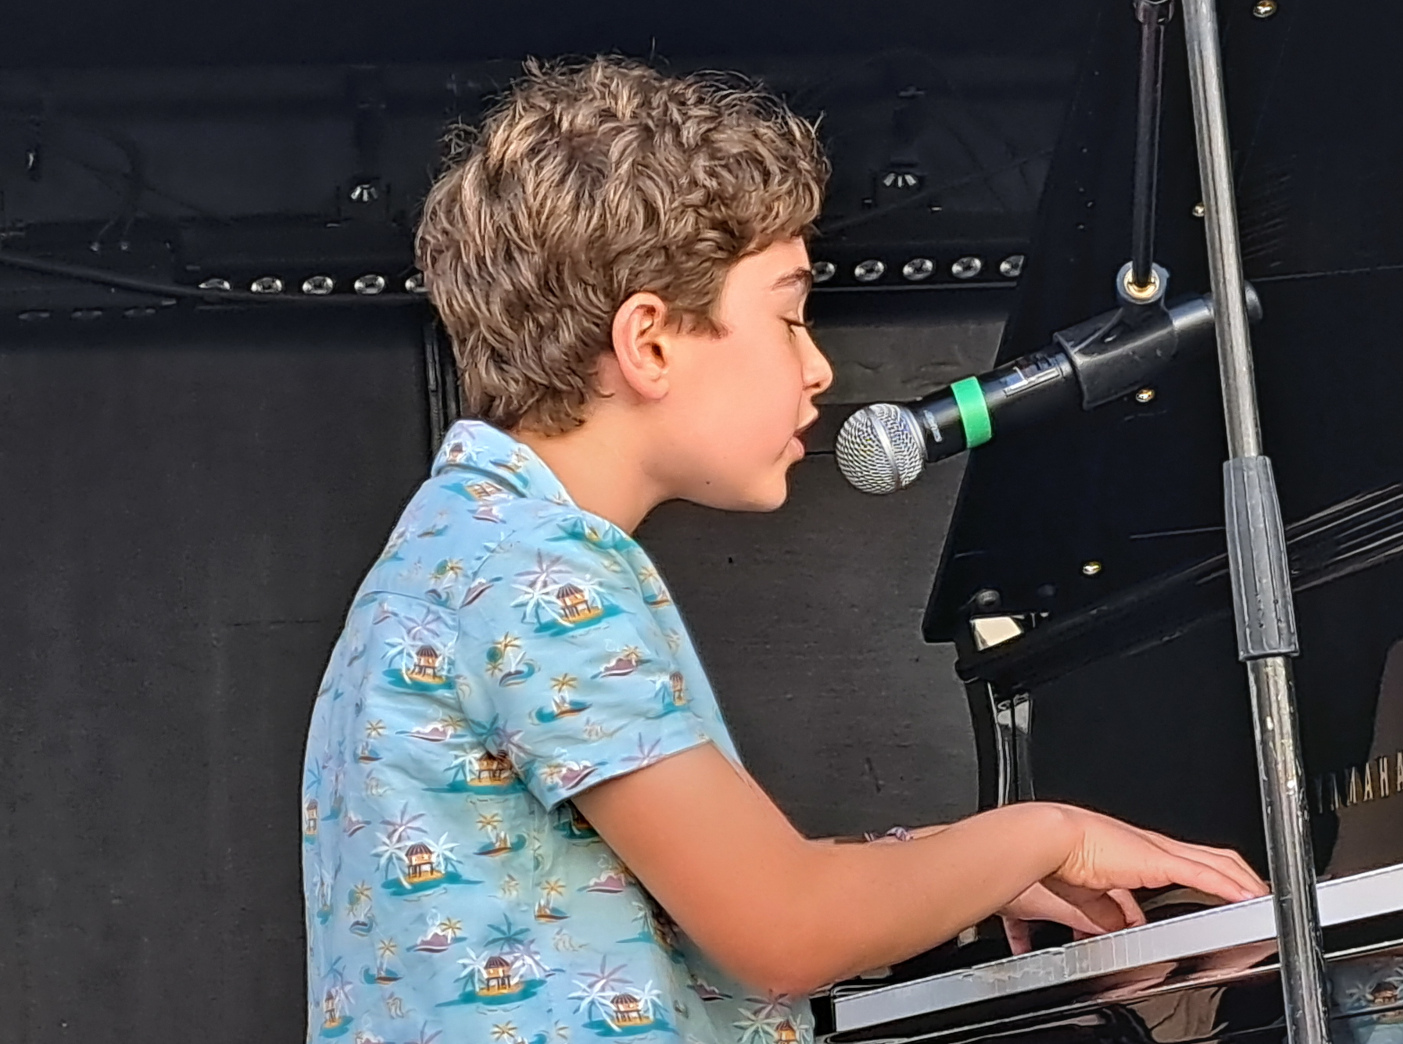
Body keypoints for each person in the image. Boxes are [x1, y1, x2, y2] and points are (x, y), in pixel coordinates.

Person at [300, 56, 1267, 1044]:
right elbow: (783, 929)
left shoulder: (468, 547)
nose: (817, 369)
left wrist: (967, 868)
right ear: (649, 343)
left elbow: (707, 889)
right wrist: (1046, 831)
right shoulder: (538, 574)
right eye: (790, 318)